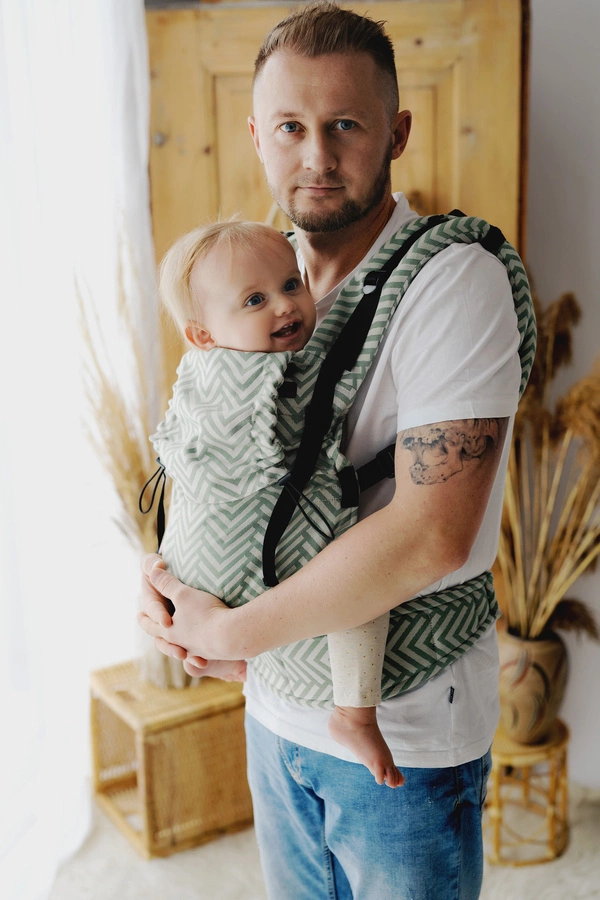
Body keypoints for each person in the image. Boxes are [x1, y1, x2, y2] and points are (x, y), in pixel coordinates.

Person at [138, 3, 533, 898]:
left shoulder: (452, 279)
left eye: (345, 124)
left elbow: (430, 536)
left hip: (404, 728)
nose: (314, 154)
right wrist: (171, 584)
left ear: (396, 132)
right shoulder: (252, 278)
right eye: (290, 126)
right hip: (276, 706)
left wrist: (229, 631)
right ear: (257, 137)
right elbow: (213, 457)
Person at [148, 217, 402, 787]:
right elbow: (345, 368)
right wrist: (375, 303)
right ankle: (354, 714)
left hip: (188, 566)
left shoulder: (196, 375)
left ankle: (224, 654)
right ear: (203, 335)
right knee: (363, 588)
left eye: (291, 284)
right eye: (255, 300)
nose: (285, 306)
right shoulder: (275, 374)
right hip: (231, 561)